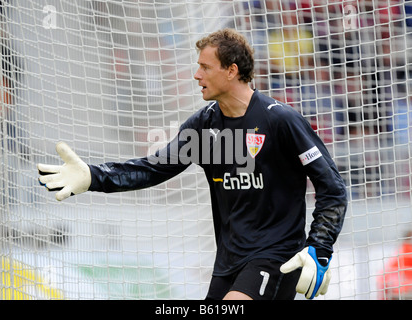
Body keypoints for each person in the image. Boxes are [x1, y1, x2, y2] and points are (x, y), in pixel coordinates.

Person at [38, 28, 347, 300]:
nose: (196, 75)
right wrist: (93, 176)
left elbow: (332, 188)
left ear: (231, 71)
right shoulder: (203, 125)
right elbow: (152, 169)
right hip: (228, 263)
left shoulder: (279, 119)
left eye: (204, 67)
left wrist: (319, 250)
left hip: (276, 257)